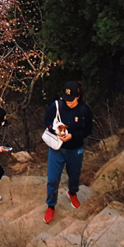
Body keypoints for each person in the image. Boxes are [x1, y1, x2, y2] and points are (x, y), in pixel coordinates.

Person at [43, 81, 93, 224]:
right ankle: (51, 205)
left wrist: (72, 135)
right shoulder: (57, 106)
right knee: (53, 179)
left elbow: (88, 130)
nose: (68, 103)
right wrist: (56, 130)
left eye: (71, 100)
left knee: (74, 175)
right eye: (66, 99)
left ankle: (72, 193)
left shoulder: (84, 110)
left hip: (75, 148)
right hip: (57, 149)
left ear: (78, 96)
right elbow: (47, 121)